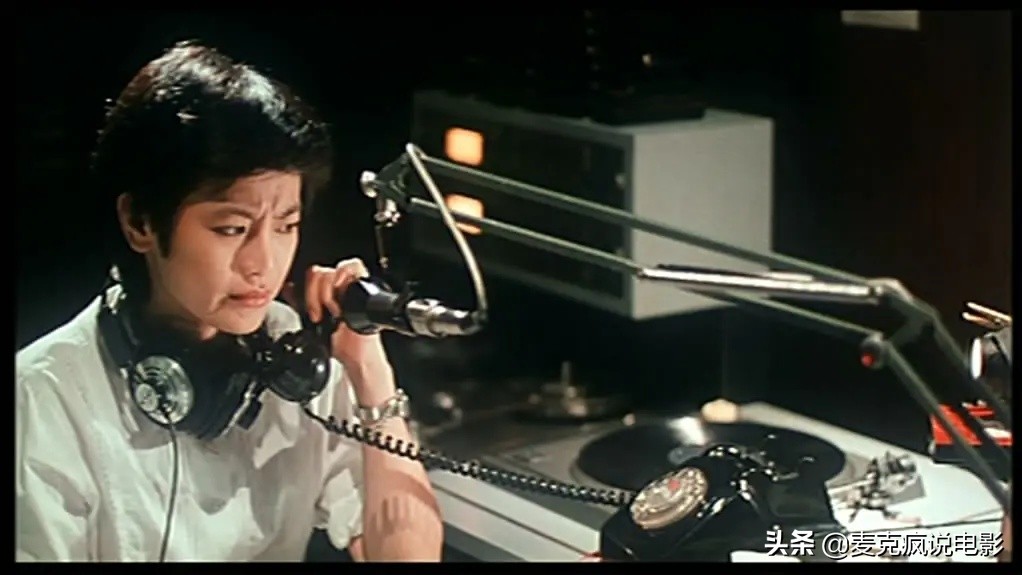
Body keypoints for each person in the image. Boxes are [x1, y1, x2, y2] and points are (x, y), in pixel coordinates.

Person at [15, 40, 444, 562]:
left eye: (286, 226)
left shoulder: (297, 359)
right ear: (140, 222)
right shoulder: (44, 399)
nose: (263, 263)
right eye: (232, 229)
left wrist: (369, 368)